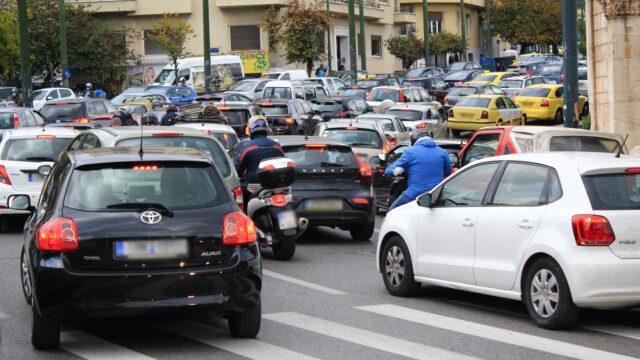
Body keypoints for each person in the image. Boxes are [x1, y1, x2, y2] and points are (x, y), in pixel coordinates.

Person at [384, 132, 452, 210]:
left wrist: (390, 171)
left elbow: (391, 169)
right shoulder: (443, 152)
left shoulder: (410, 152)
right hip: (436, 194)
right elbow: (448, 172)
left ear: (414, 140)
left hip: (414, 193)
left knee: (392, 212)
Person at [234, 115, 285, 197]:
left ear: (250, 129)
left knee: (244, 205)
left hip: (253, 186)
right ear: (266, 129)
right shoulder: (277, 146)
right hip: (273, 186)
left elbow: (238, 170)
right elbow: (283, 164)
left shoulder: (247, 147)